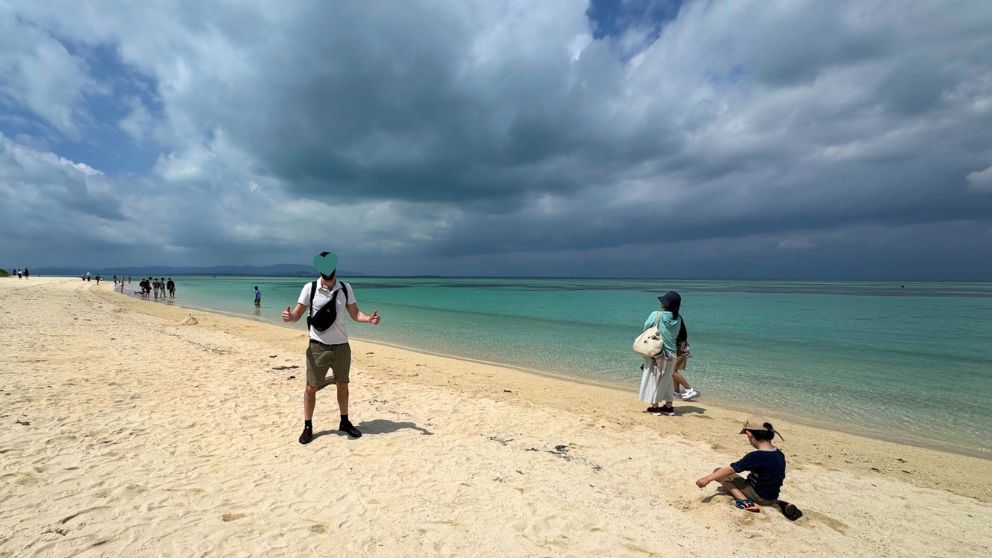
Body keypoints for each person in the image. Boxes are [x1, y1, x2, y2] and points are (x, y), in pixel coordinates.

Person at [282, 251, 381, 444]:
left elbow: (355, 314)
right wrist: (289, 317)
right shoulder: (310, 288)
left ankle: (344, 421)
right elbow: (297, 314)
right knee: (311, 387)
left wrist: (369, 319)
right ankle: (308, 426)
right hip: (317, 346)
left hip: (342, 346)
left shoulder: (345, 288)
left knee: (342, 384)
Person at [695, 417, 801, 520]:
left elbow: (731, 469)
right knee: (765, 488)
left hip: (758, 496)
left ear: (749, 434)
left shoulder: (756, 456)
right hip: (772, 495)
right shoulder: (779, 454)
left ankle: (744, 501)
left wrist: (708, 479)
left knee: (718, 471)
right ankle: (779, 503)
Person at [638, 291, 686, 416]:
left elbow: (646, 328)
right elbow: (679, 335)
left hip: (658, 353)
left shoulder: (656, 314)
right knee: (667, 379)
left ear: (666, 304)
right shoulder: (678, 318)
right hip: (672, 354)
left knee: (655, 379)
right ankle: (669, 406)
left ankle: (655, 407)